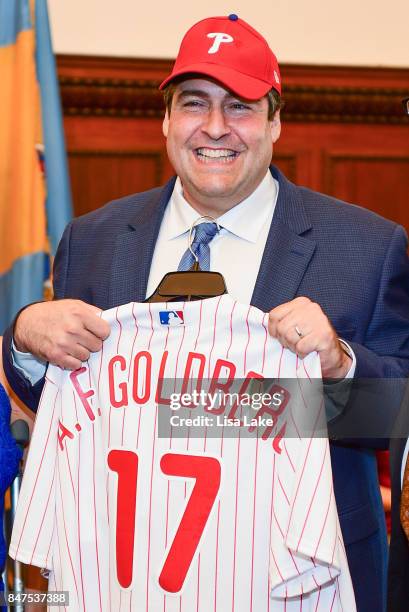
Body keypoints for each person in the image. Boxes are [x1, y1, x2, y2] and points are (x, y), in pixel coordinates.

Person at [2, 14, 409, 612]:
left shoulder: (367, 247)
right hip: (121, 579)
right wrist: (22, 342)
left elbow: (399, 416)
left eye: (240, 106)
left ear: (275, 121)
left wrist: (337, 364)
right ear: (167, 120)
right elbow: (71, 410)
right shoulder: (94, 238)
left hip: (296, 583)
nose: (215, 127)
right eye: (194, 103)